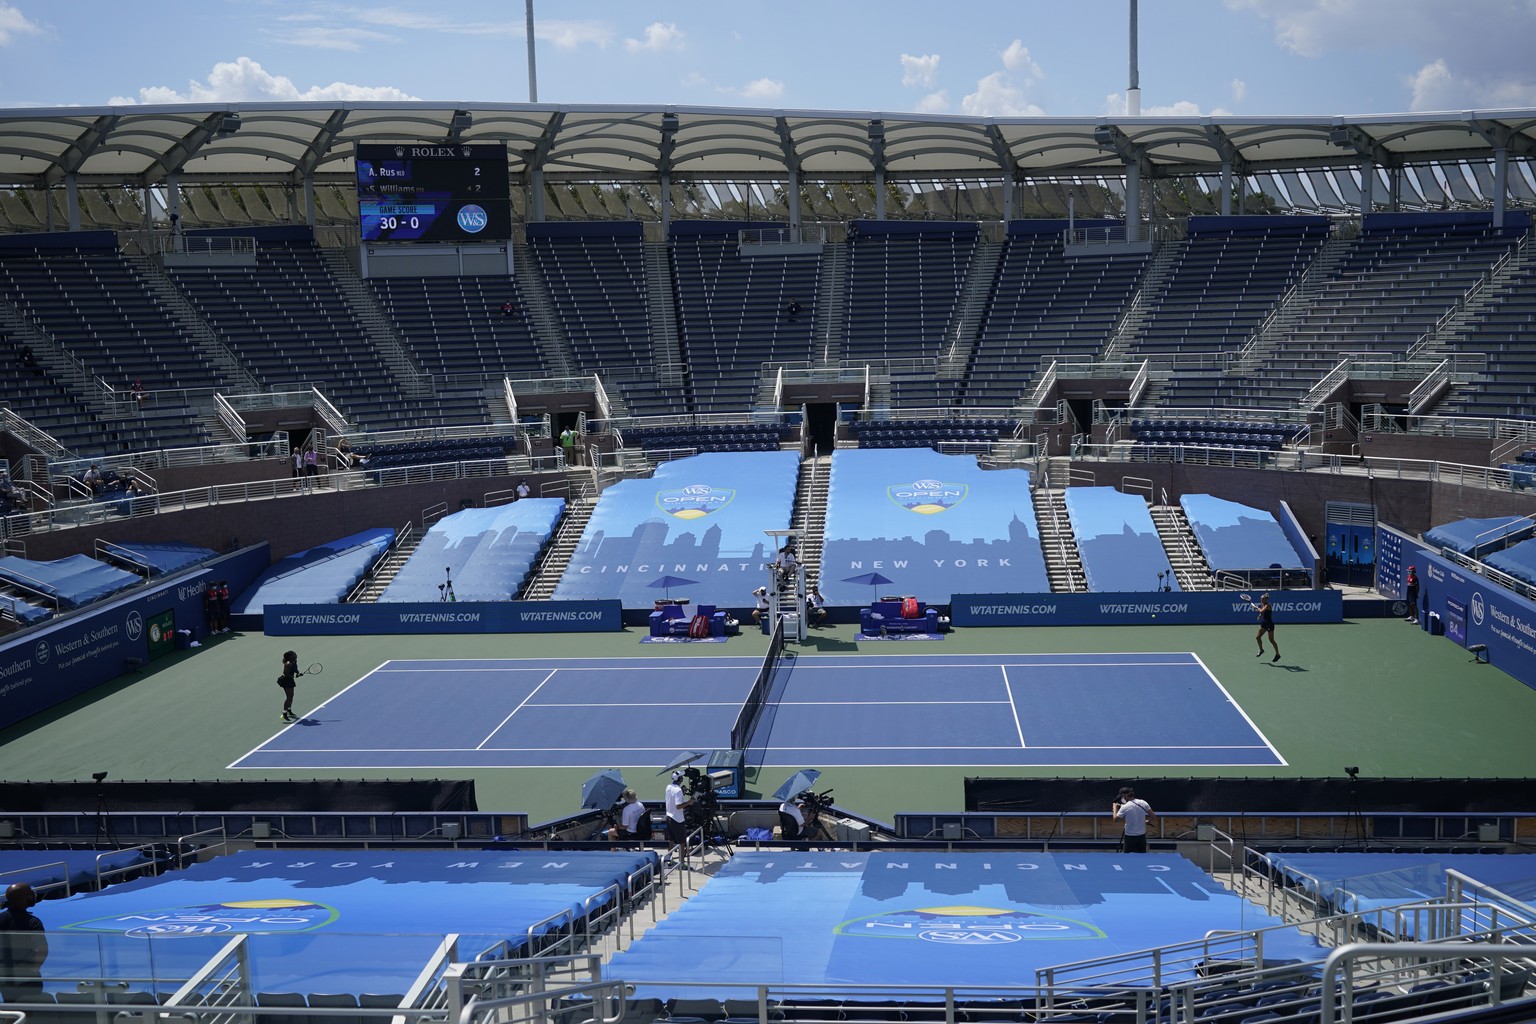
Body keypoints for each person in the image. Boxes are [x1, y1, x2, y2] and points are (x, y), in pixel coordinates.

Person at [0, 881, 48, 1005]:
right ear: (22, 899)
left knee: (12, 1009)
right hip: (28, 977)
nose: (32, 897)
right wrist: (33, 970)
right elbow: (42, 950)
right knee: (30, 1011)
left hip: (5, 976)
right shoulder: (32, 922)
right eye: (29, 895)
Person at [1112, 787, 1155, 854]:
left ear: (1125, 796)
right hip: (1141, 836)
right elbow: (1153, 816)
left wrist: (1115, 809)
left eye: (1122, 796)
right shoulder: (1143, 802)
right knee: (1142, 856)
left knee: (1128, 858)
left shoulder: (1125, 806)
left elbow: (1115, 819)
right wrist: (1148, 821)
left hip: (1130, 837)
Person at [663, 771, 692, 852]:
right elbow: (678, 806)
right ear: (680, 779)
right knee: (682, 843)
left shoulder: (668, 787)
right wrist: (688, 802)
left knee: (671, 840)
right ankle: (682, 862)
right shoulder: (678, 790)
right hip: (677, 820)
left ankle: (669, 859)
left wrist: (681, 792)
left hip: (669, 818)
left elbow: (672, 797)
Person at [277, 650, 303, 722]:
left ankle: (289, 711)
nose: (295, 655)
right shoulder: (288, 664)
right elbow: (286, 674)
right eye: (293, 654)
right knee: (289, 697)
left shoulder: (294, 661)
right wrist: (295, 675)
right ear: (290, 657)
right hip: (285, 680)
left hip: (290, 680)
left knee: (291, 696)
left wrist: (298, 672)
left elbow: (295, 669)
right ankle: (284, 713)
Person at [1255, 592, 1280, 663]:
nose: (1261, 600)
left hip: (1269, 624)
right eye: (1261, 599)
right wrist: (1260, 615)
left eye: (1262, 599)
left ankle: (1278, 654)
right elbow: (1262, 612)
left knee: (1271, 640)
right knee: (1258, 637)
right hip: (1265, 623)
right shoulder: (1263, 604)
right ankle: (1261, 650)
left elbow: (1262, 610)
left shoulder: (1268, 605)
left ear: (1266, 599)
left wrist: (1256, 608)